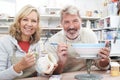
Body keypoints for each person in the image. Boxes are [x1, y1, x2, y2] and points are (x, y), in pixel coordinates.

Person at [43, 5, 110, 74]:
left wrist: (104, 60)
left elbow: (100, 65)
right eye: (66, 22)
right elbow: (51, 73)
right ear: (61, 24)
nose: (71, 26)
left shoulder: (89, 35)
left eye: (75, 21)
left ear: (81, 21)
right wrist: (61, 62)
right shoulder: (53, 41)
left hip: (87, 74)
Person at [0, 4, 44, 79]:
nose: (29, 24)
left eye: (33, 21)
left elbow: (40, 73)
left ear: (37, 25)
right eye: (25, 19)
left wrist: (47, 70)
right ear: (18, 22)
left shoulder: (38, 43)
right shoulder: (4, 42)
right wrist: (20, 66)